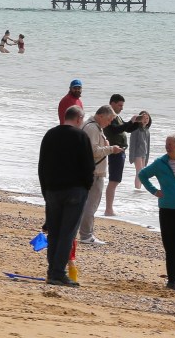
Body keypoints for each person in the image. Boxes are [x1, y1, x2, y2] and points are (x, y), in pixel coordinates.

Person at [37, 105, 93, 287]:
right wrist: (87, 187)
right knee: (67, 233)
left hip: (52, 189)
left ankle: (52, 270)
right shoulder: (81, 136)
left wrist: (45, 190)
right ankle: (58, 273)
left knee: (54, 231)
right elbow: (88, 166)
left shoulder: (50, 135)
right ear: (78, 119)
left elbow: (42, 165)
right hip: (75, 190)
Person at [138, 134, 175, 293]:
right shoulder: (160, 163)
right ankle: (171, 280)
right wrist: (154, 191)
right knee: (169, 244)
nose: (168, 146)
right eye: (166, 143)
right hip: (167, 209)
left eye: (171, 144)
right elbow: (142, 175)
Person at [79, 105, 122, 245]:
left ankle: (84, 233)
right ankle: (86, 235)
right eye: (109, 120)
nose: (109, 123)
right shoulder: (92, 127)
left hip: (91, 170)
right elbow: (94, 151)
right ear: (101, 115)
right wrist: (111, 149)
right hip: (94, 172)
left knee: (87, 204)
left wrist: (106, 145)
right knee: (91, 205)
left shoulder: (92, 126)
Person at [103, 94, 144, 216]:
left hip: (119, 151)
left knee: (116, 180)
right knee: (114, 180)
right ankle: (108, 209)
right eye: (120, 105)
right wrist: (131, 121)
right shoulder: (109, 117)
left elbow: (126, 129)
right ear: (112, 104)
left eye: (122, 105)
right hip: (114, 150)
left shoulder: (116, 117)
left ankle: (109, 208)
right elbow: (116, 130)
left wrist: (136, 123)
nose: (121, 108)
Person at [130, 111, 152, 189]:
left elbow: (148, 146)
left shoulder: (147, 130)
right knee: (139, 173)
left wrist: (147, 157)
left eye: (147, 118)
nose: (145, 120)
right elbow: (132, 143)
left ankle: (138, 189)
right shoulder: (136, 129)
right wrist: (131, 157)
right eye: (143, 118)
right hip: (137, 154)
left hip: (144, 154)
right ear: (139, 119)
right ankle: (137, 189)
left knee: (142, 173)